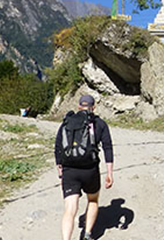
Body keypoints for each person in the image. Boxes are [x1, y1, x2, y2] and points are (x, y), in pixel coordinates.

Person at [55, 95, 114, 240]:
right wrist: (109, 173)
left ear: (79, 106)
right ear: (93, 107)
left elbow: (58, 149)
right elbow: (108, 148)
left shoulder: (67, 122)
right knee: (93, 200)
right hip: (90, 170)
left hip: (69, 170)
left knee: (70, 209)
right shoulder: (99, 123)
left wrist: (61, 173)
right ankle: (87, 234)